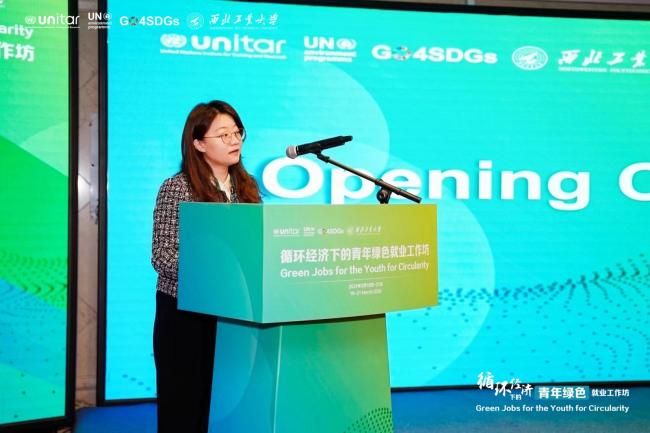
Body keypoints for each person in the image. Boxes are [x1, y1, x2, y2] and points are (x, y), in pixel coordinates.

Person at [151, 100, 262, 433]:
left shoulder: (247, 188)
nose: (234, 140)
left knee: (229, 408)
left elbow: (254, 249)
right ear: (198, 143)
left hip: (234, 317)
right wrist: (217, 276)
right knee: (184, 409)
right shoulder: (177, 187)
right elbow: (163, 255)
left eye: (237, 132)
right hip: (185, 316)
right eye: (223, 134)